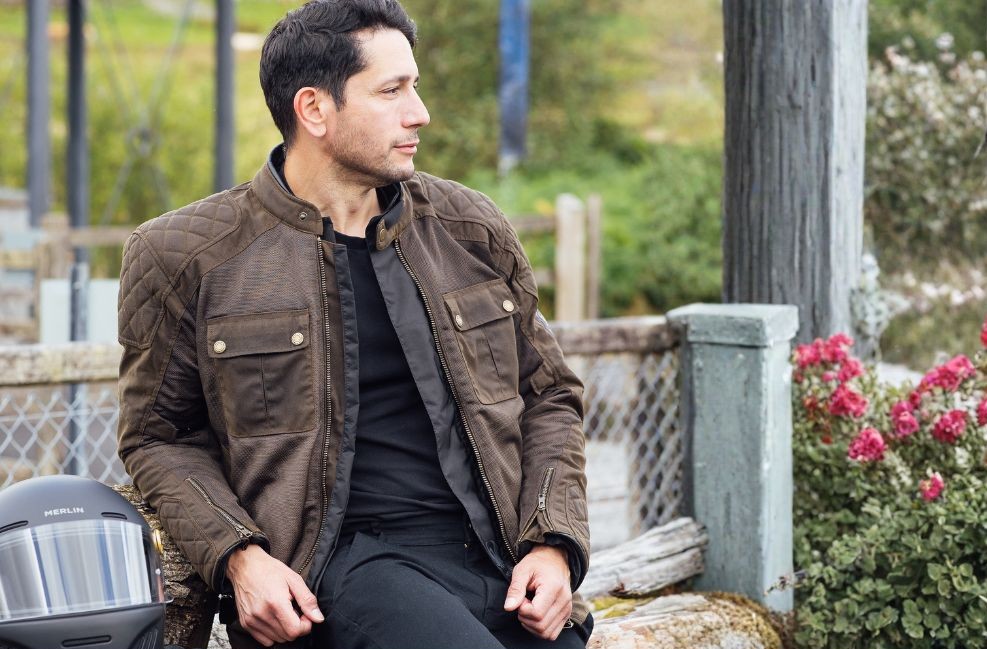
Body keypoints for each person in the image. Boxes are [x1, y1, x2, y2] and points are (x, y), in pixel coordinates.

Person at [116, 1, 592, 647]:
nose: (418, 111)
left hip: (494, 560)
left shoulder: (469, 227)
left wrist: (554, 543)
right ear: (314, 109)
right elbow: (158, 436)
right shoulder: (184, 254)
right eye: (392, 90)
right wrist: (239, 555)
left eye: (414, 86)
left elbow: (550, 396)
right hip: (336, 569)